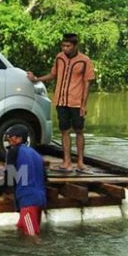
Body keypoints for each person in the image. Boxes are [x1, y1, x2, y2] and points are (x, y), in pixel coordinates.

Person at [27, 33, 95, 174]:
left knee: (79, 131)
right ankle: (67, 162)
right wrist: (36, 79)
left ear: (75, 46)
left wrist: (83, 105)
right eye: (63, 45)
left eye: (68, 46)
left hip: (76, 102)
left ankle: (80, 162)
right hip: (61, 100)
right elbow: (53, 75)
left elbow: (87, 84)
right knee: (64, 130)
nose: (65, 48)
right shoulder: (59, 57)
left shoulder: (84, 60)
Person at [4, 125, 47, 237]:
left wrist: (4, 188)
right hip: (40, 199)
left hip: (28, 201)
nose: (9, 139)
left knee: (32, 236)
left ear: (19, 138)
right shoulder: (36, 154)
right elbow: (44, 177)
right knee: (21, 228)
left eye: (11, 137)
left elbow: (10, 176)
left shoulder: (13, 151)